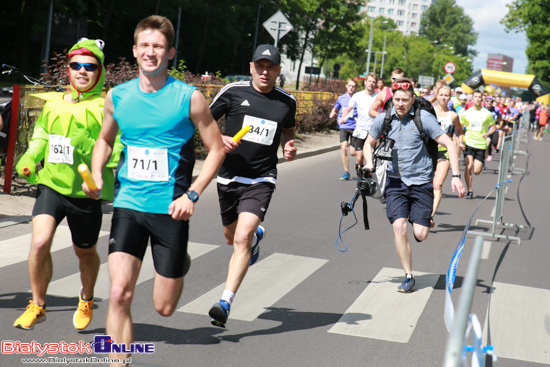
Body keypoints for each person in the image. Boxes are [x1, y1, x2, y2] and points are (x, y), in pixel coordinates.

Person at [84, 15, 224, 365]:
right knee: (118, 293)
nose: (151, 52)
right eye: (144, 45)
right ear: (134, 51)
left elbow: (217, 148)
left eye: (158, 46)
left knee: (164, 308)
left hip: (171, 209)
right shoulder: (118, 96)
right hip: (128, 204)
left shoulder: (188, 98)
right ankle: (119, 360)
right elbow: (104, 138)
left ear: (170, 52)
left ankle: (179, 263)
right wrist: (98, 173)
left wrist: (192, 195)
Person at [13, 38, 119, 330]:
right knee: (39, 241)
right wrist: (31, 155)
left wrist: (102, 173)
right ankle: (38, 304)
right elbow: (42, 135)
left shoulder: (106, 106)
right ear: (68, 70)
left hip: (85, 193)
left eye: (89, 67)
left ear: (99, 72)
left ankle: (86, 298)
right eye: (75, 65)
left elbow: (115, 143)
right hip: (51, 185)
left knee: (84, 252)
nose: (81, 71)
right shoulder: (55, 103)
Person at [208, 44, 297, 328]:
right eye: (260, 66)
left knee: (241, 238)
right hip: (229, 176)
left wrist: (288, 148)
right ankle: (256, 236)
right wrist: (220, 139)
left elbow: (288, 132)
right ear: (251, 67)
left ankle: (225, 302)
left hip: (261, 177)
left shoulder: (287, 102)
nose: (265, 71)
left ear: (278, 71)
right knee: (230, 237)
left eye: (271, 67)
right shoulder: (233, 92)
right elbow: (204, 121)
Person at [364, 78, 465, 293]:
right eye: (397, 99)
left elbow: (448, 143)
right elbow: (368, 142)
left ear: (412, 99)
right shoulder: (384, 118)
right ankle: (408, 276)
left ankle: (421, 217)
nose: (400, 103)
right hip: (395, 181)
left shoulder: (424, 118)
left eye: (404, 99)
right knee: (399, 226)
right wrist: (368, 162)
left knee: (421, 234)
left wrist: (456, 176)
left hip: (420, 182)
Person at [431, 85, 464, 227]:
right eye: (441, 95)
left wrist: (460, 142)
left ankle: (429, 216)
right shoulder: (429, 111)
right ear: (437, 95)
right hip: (428, 150)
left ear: (450, 97)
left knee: (437, 185)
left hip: (444, 151)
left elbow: (460, 132)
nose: (444, 98)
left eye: (446, 95)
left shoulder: (453, 115)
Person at [460, 90, 496, 199]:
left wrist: (488, 133)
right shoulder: (466, 113)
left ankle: (480, 162)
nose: (477, 99)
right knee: (468, 166)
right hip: (469, 143)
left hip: (480, 145)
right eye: (475, 97)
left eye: (479, 97)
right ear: (472, 98)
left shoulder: (487, 114)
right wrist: (460, 140)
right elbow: (460, 128)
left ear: (482, 99)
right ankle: (469, 190)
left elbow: (494, 126)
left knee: (476, 171)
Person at [339, 73, 378, 169]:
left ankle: (368, 174)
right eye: (369, 81)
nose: (371, 84)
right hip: (361, 129)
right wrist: (342, 118)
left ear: (376, 84)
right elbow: (348, 109)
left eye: (373, 82)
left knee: (370, 156)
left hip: (373, 131)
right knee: (359, 157)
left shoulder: (378, 96)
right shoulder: (357, 96)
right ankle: (360, 168)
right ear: (365, 82)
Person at [329, 78, 358, 180]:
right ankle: (346, 172)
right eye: (349, 86)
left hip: (355, 127)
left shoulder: (358, 98)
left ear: (355, 88)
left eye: (353, 86)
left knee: (353, 152)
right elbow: (336, 107)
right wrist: (333, 112)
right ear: (346, 86)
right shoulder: (341, 98)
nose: (351, 88)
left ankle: (359, 167)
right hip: (344, 126)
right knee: (344, 148)